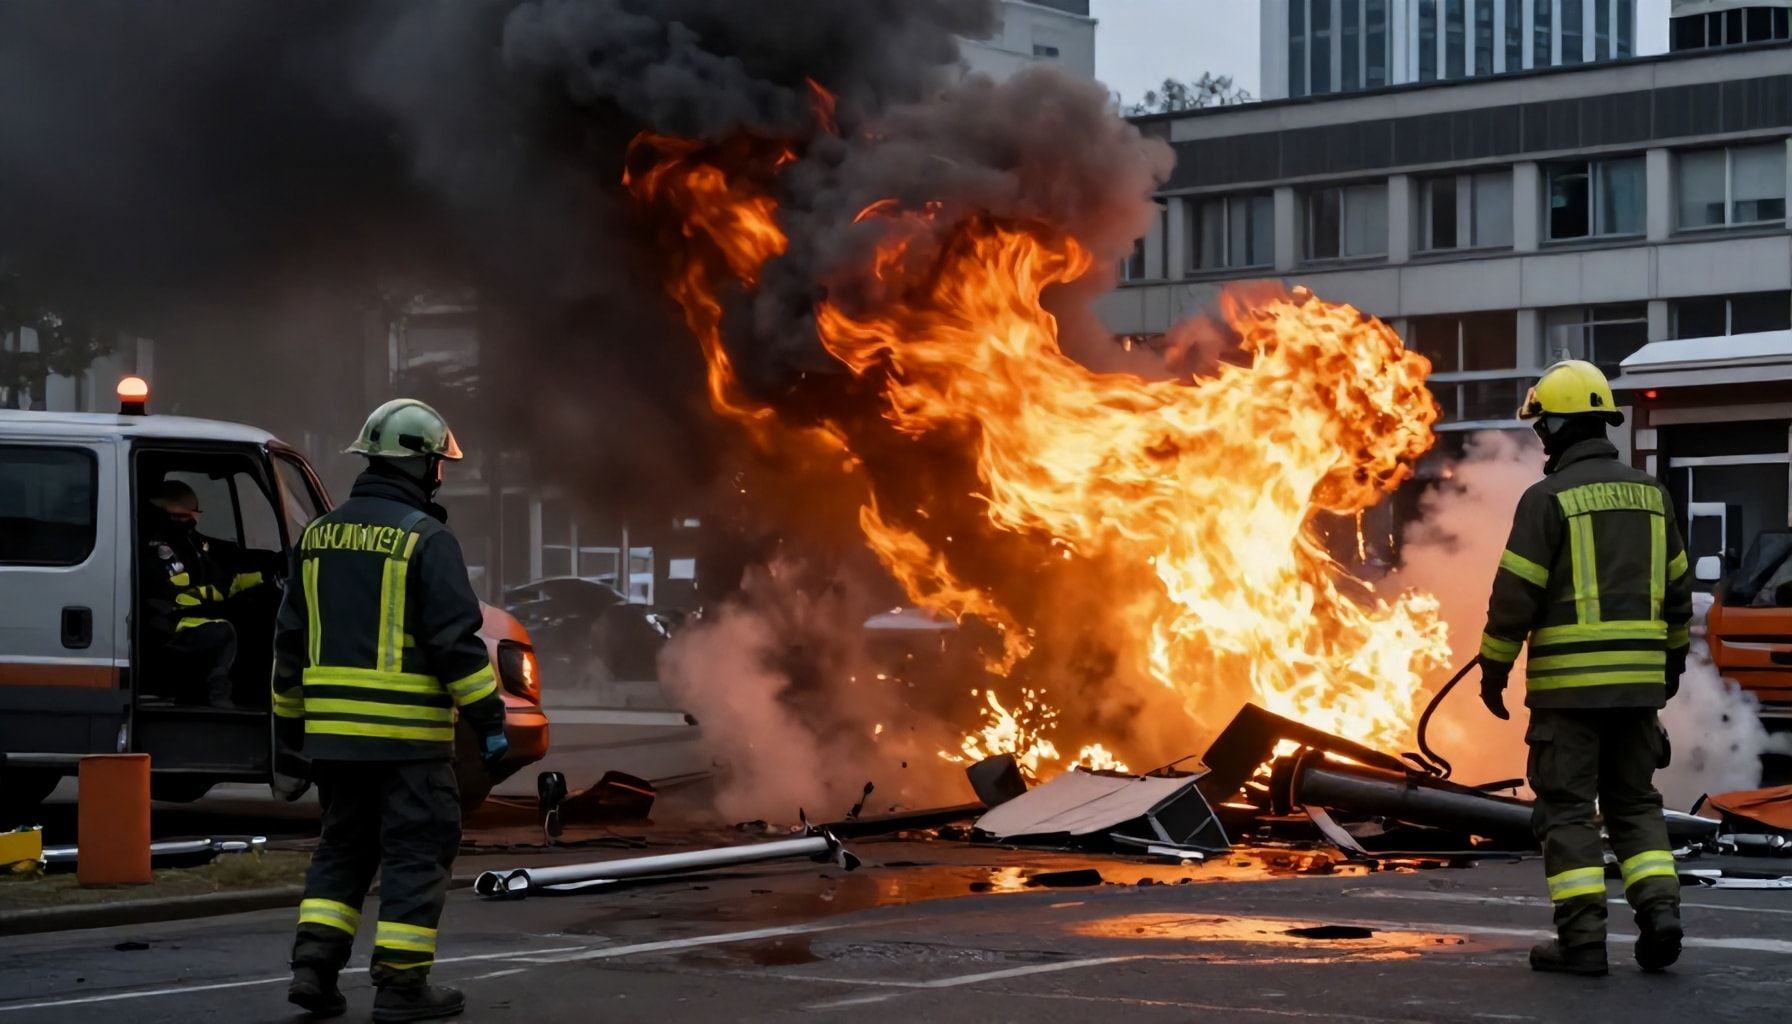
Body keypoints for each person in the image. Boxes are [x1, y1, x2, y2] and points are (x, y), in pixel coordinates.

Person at [272, 398, 508, 1021]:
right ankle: (402, 989)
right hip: (409, 747)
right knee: (416, 855)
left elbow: (289, 646)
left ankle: (314, 970)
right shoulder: (427, 539)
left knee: (341, 850)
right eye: (438, 463)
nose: (440, 475)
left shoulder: (316, 538)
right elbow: (457, 646)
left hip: (334, 746)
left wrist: (289, 733)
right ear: (421, 464)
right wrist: (489, 722)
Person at [1476, 359, 1692, 977]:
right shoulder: (1653, 496)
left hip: (1568, 695)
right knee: (1636, 804)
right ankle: (1661, 913)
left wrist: (1494, 669)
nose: (1541, 439)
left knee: (1568, 811)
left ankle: (1583, 942)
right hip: (1637, 692)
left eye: (1543, 426)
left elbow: (1515, 596)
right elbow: (1678, 592)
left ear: (1560, 426)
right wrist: (1670, 665)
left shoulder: (1546, 499)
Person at [141, 479, 267, 707]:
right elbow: (178, 596)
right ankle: (217, 699)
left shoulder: (191, 541)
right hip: (169, 623)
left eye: (193, 516)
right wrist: (222, 594)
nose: (189, 522)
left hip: (189, 614)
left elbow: (221, 574)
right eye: (181, 516)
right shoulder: (156, 549)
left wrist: (263, 576)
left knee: (251, 616)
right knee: (224, 631)